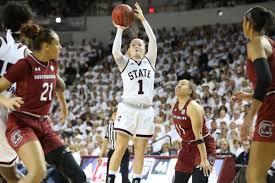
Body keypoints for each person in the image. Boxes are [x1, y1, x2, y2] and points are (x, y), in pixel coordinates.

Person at [0, 24, 86, 183]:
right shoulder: (25, 64)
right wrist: (5, 100)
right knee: (39, 172)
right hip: (21, 122)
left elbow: (60, 86)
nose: (61, 46)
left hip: (43, 124)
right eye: (57, 43)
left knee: (79, 176)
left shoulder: (53, 64)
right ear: (46, 46)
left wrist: (64, 105)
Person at [107, 2, 157, 183]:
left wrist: (143, 19)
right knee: (120, 147)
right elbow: (115, 51)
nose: (137, 45)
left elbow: (153, 40)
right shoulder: (125, 63)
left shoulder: (150, 61)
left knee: (140, 150)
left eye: (140, 45)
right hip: (127, 108)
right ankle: (110, 178)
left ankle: (136, 180)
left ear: (144, 50)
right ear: (128, 50)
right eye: (133, 44)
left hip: (146, 110)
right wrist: (119, 30)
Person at [232, 6, 275, 183]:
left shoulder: (256, 42)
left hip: (270, 111)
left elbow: (265, 80)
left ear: (248, 24)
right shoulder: (270, 43)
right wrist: (249, 95)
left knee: (254, 176)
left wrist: (249, 118)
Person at [172, 79, 216, 183]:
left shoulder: (193, 107)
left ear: (189, 91)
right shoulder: (174, 105)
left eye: (182, 84)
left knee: (199, 180)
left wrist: (204, 160)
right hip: (187, 147)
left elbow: (199, 136)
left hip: (203, 147)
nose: (178, 86)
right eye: (178, 84)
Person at [99, 112, 130, 183]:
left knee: (124, 175)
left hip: (123, 151)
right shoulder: (108, 127)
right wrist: (101, 154)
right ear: (112, 117)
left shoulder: (124, 126)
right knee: (109, 175)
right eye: (114, 114)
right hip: (113, 151)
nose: (116, 116)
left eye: (117, 114)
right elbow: (105, 142)